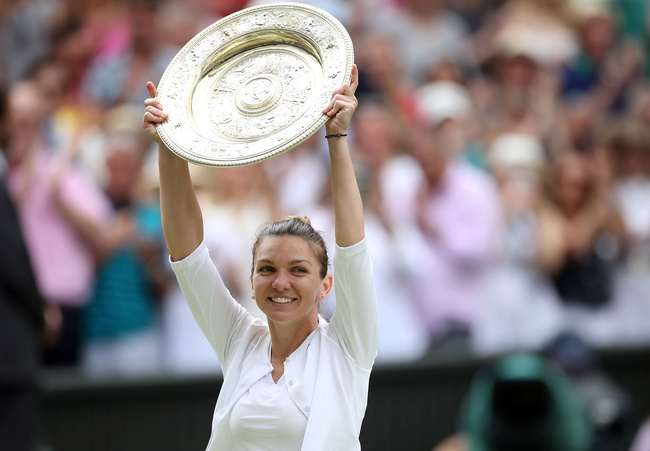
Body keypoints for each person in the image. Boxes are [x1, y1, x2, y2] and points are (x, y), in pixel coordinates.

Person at [142, 65, 379, 450]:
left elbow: (353, 248)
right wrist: (170, 144)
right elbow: (187, 256)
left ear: (326, 285)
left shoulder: (348, 347)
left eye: (298, 270)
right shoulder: (240, 340)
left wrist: (336, 135)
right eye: (267, 269)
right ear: (250, 283)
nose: (280, 282)